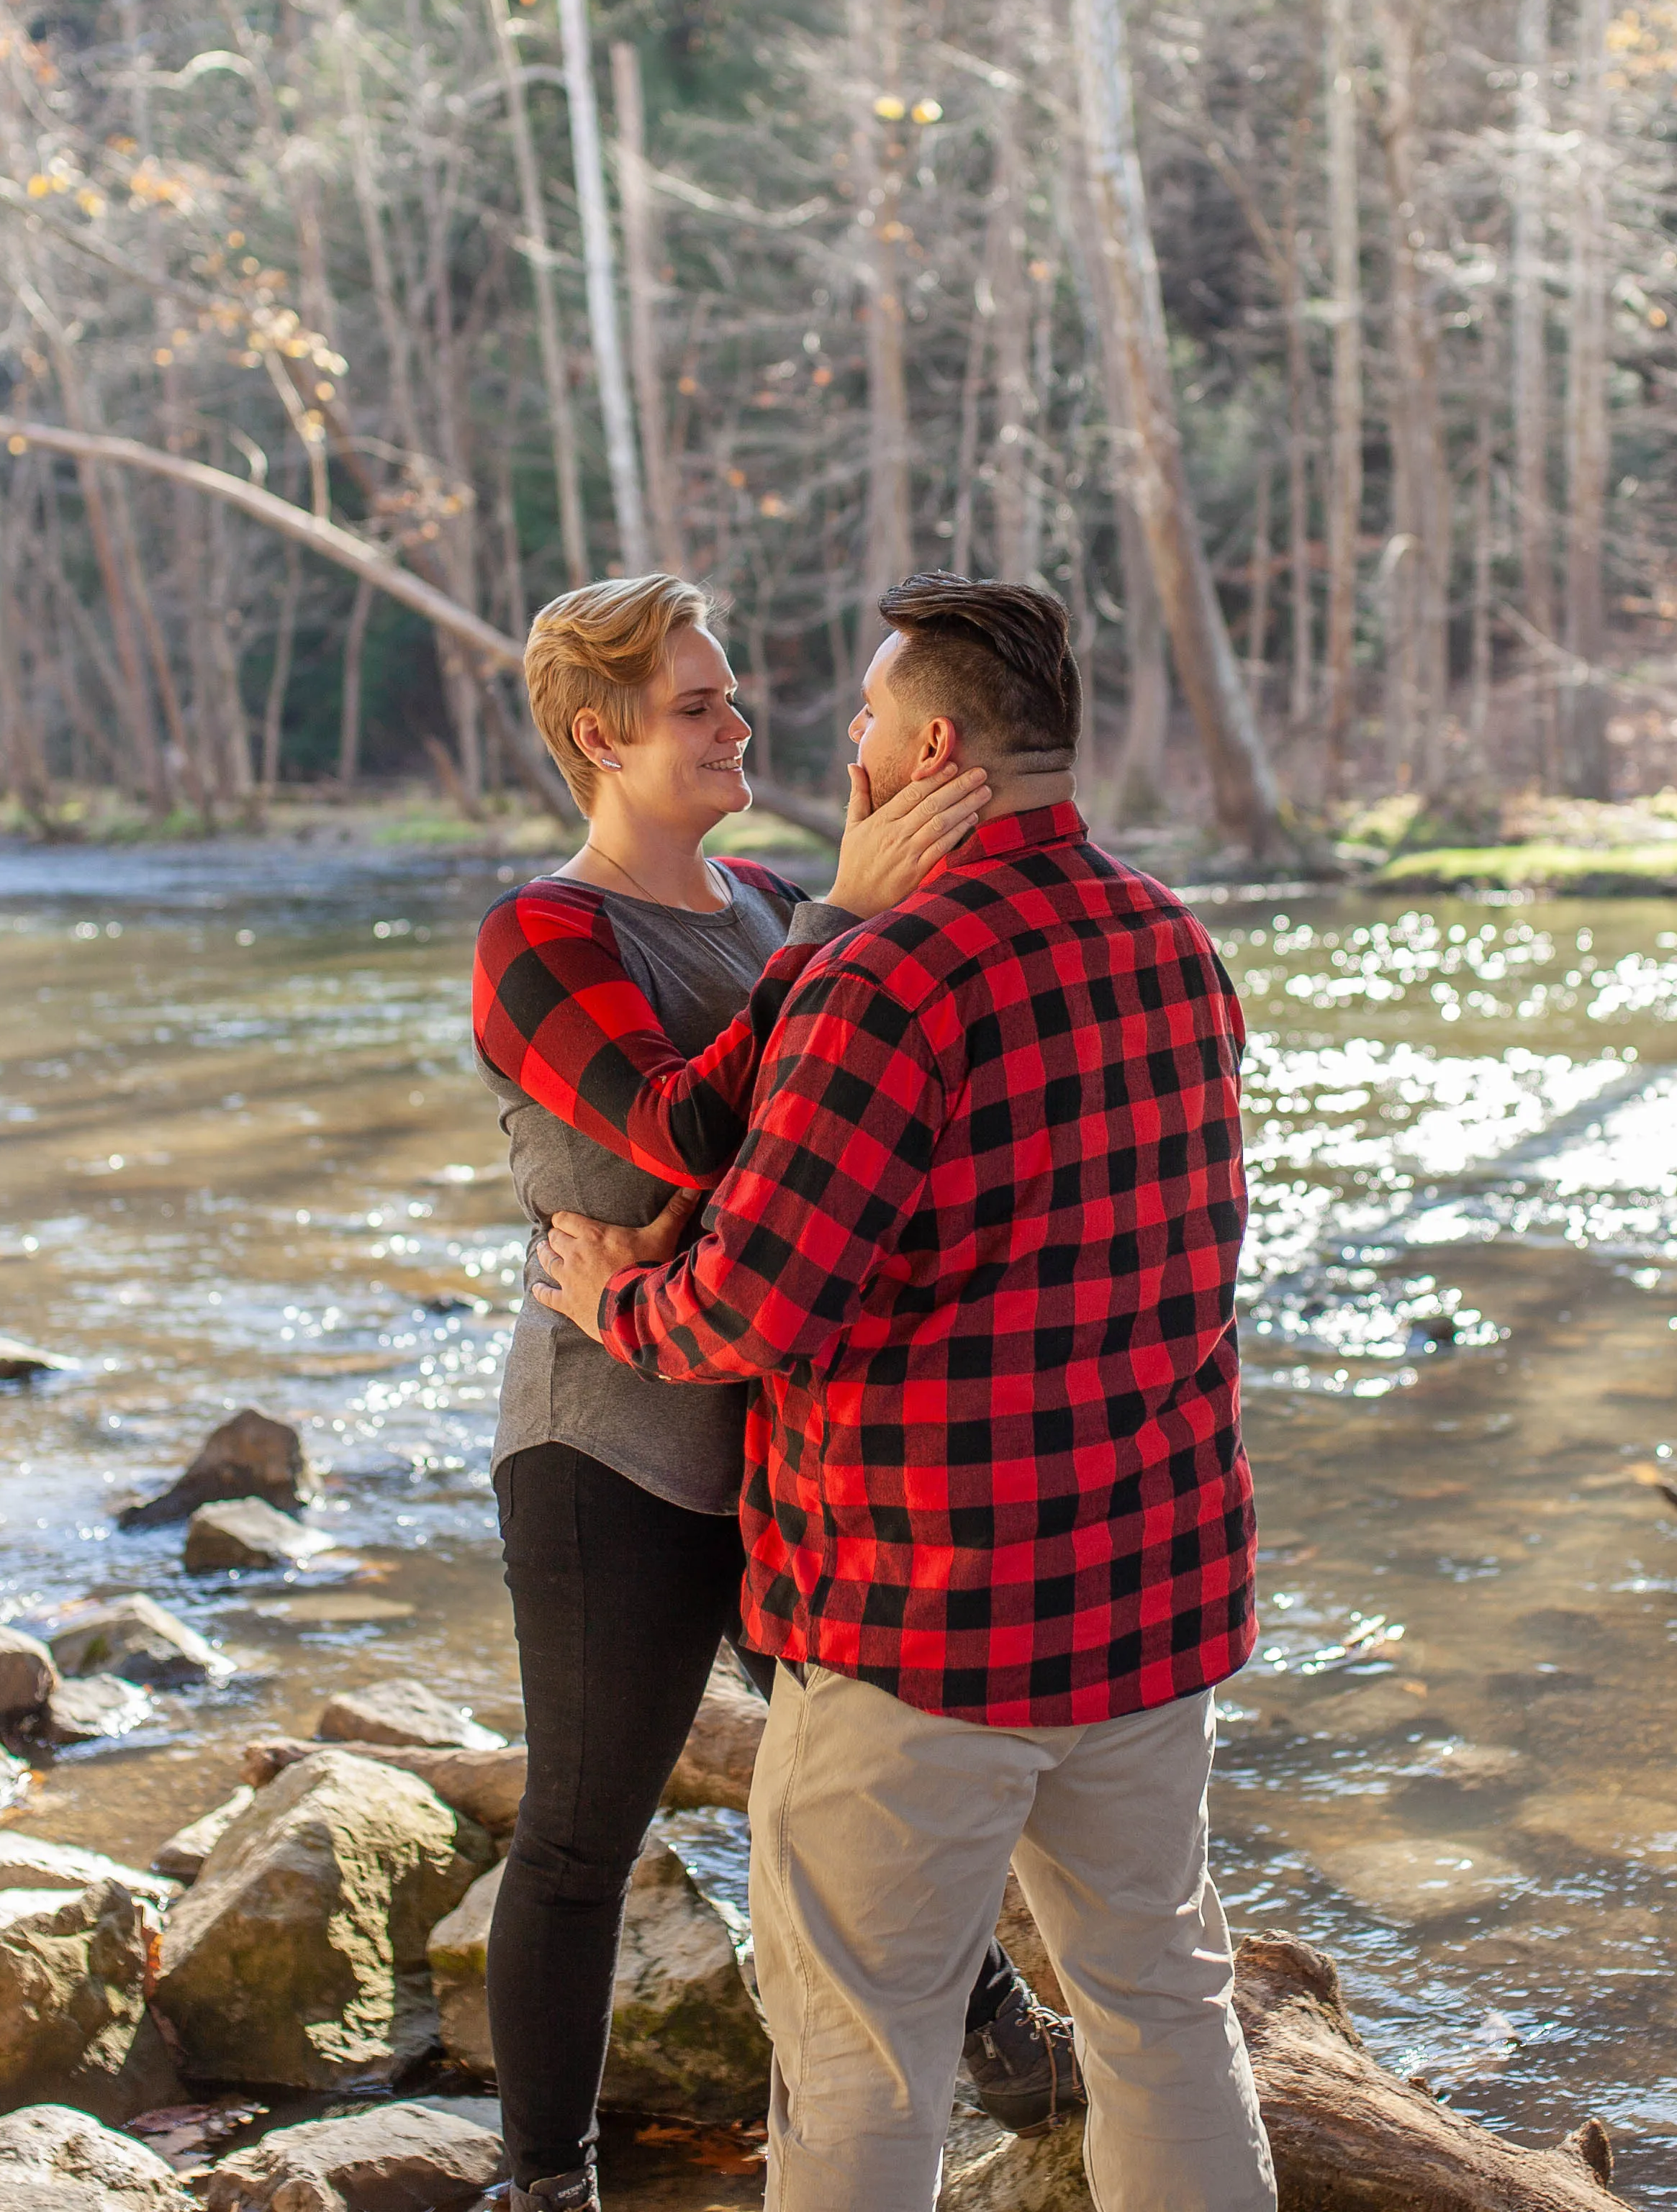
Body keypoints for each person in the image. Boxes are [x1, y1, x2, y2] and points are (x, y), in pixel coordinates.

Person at [535, 574, 1275, 2212]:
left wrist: (613, 1295)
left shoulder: (886, 981)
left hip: (919, 1627)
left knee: (867, 2065)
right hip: (1152, 1610)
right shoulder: (1176, 940)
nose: (842, 744)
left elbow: (750, 1307)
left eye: (866, 719)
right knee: (1164, 2008)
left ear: (932, 748)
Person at [466, 574, 1083, 2212]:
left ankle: (1002, 2044)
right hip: (617, 1444)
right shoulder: (542, 934)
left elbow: (806, 1137)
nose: (742, 723)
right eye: (698, 704)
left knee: (864, 1772)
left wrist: (825, 942)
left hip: (794, 1437)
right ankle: (547, 2181)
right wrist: (840, 931)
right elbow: (685, 1130)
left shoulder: (764, 904)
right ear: (599, 737)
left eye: (733, 695)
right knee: (587, 1826)